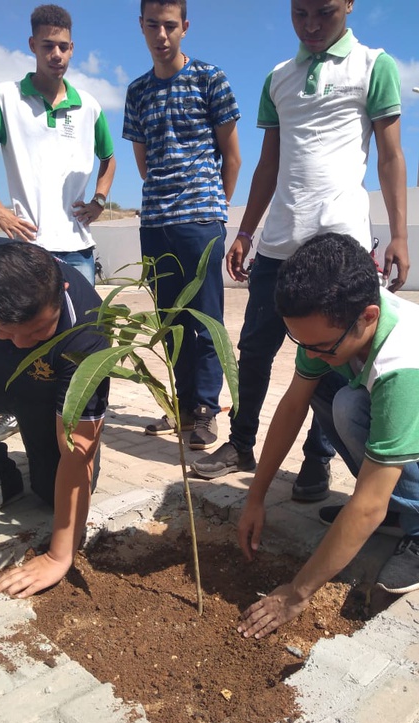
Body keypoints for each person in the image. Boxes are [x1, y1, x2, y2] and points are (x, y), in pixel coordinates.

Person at [191, 0, 409, 501]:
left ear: (349, 6)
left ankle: (317, 460)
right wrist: (246, 230)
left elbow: (391, 155)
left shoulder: (375, 65)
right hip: (278, 242)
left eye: (325, 13)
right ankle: (241, 442)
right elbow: (268, 162)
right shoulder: (277, 77)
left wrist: (398, 234)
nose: (311, 25)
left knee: (335, 357)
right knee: (254, 350)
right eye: (300, 13)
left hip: (339, 245)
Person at [236, 232, 419, 639]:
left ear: (368, 317)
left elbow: (366, 505)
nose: (309, 352)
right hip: (402, 418)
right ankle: (402, 505)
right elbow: (291, 407)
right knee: (334, 395)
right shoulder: (328, 324)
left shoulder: (402, 365)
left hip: (414, 411)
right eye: (301, 342)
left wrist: (296, 594)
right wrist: (255, 497)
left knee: (351, 408)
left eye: (319, 345)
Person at [0, 4, 115, 440]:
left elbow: (109, 157)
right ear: (32, 46)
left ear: (72, 48)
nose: (56, 54)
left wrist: (100, 198)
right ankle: (17, 409)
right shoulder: (4, 97)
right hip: (30, 248)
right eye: (47, 46)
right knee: (20, 336)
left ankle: (76, 414)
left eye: (63, 47)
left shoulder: (91, 105)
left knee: (77, 343)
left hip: (78, 249)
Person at [123, 0, 241, 450]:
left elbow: (232, 156)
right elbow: (144, 163)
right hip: (155, 221)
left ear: (185, 27)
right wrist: (166, 199)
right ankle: (181, 405)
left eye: (170, 25)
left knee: (206, 318)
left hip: (200, 220)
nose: (161, 35)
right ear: (142, 26)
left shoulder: (211, 78)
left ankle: (206, 409)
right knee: (169, 320)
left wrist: (214, 208)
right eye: (152, 25)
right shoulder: (137, 92)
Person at [0, 240, 110, 599]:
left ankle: (12, 478)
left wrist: (59, 556)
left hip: (47, 383)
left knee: (52, 493)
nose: (23, 344)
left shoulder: (88, 329)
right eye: (6, 330)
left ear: (64, 292)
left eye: (39, 331)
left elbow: (78, 449)